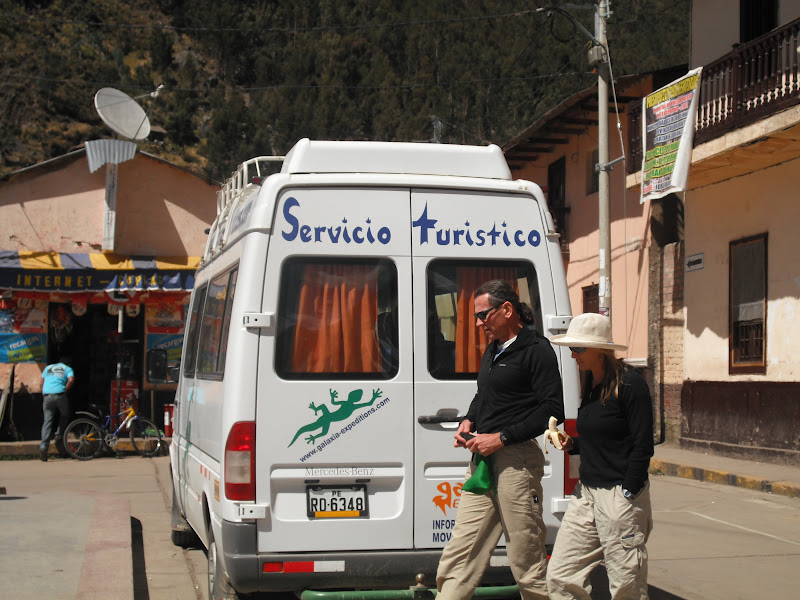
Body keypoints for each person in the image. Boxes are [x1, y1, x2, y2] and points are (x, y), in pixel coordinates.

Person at [436, 280, 564, 600]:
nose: (479, 324)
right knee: (459, 554)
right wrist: (469, 420)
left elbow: (552, 409)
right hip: (483, 464)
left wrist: (502, 438)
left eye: (483, 315)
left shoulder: (537, 349)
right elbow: (484, 395)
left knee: (525, 559)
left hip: (516, 464)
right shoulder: (494, 349)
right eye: (476, 317)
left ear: (507, 310)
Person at [546, 313, 654, 600]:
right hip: (587, 493)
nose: (573, 355)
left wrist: (629, 492)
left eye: (578, 348)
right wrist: (572, 444)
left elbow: (643, 444)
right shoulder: (591, 384)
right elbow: (603, 438)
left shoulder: (630, 384)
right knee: (561, 576)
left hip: (619, 494)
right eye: (571, 348)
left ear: (600, 350)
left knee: (626, 586)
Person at [39, 357, 74, 461]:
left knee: (47, 422)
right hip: (60, 395)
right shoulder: (68, 369)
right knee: (65, 415)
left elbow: (41, 382)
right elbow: (71, 380)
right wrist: (65, 389)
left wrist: (43, 393)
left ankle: (43, 447)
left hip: (47, 396)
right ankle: (59, 435)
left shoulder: (48, 368)